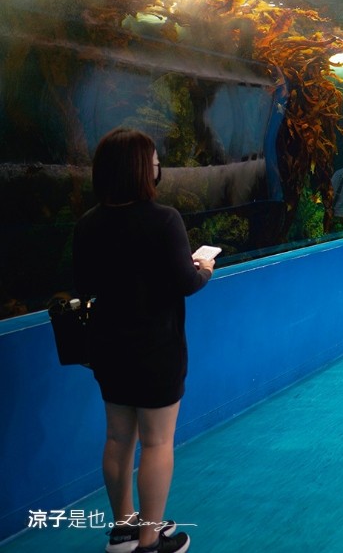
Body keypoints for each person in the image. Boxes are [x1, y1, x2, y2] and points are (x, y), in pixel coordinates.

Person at [73, 128, 214, 553]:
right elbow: (185, 282)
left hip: (108, 347)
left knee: (118, 438)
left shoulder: (88, 223)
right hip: (155, 348)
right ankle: (150, 541)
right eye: (153, 159)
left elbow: (84, 284)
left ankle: (123, 529)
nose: (157, 166)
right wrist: (204, 267)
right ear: (141, 169)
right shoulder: (165, 218)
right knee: (156, 442)